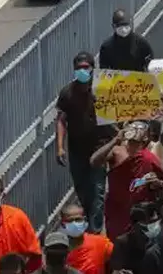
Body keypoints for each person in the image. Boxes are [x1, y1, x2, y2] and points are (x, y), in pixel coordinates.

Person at [56, 52, 106, 232]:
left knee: (98, 193)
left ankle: (95, 232)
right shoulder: (67, 93)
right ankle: (86, 225)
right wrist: (60, 147)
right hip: (77, 151)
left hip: (98, 151)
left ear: (92, 68)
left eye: (86, 67)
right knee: (83, 193)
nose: (82, 71)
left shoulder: (101, 90)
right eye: (79, 68)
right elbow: (61, 119)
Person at [59, 203, 112, 274]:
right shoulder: (57, 250)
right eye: (70, 221)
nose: (74, 224)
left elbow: (118, 258)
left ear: (84, 220)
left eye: (78, 219)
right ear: (62, 224)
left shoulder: (100, 243)